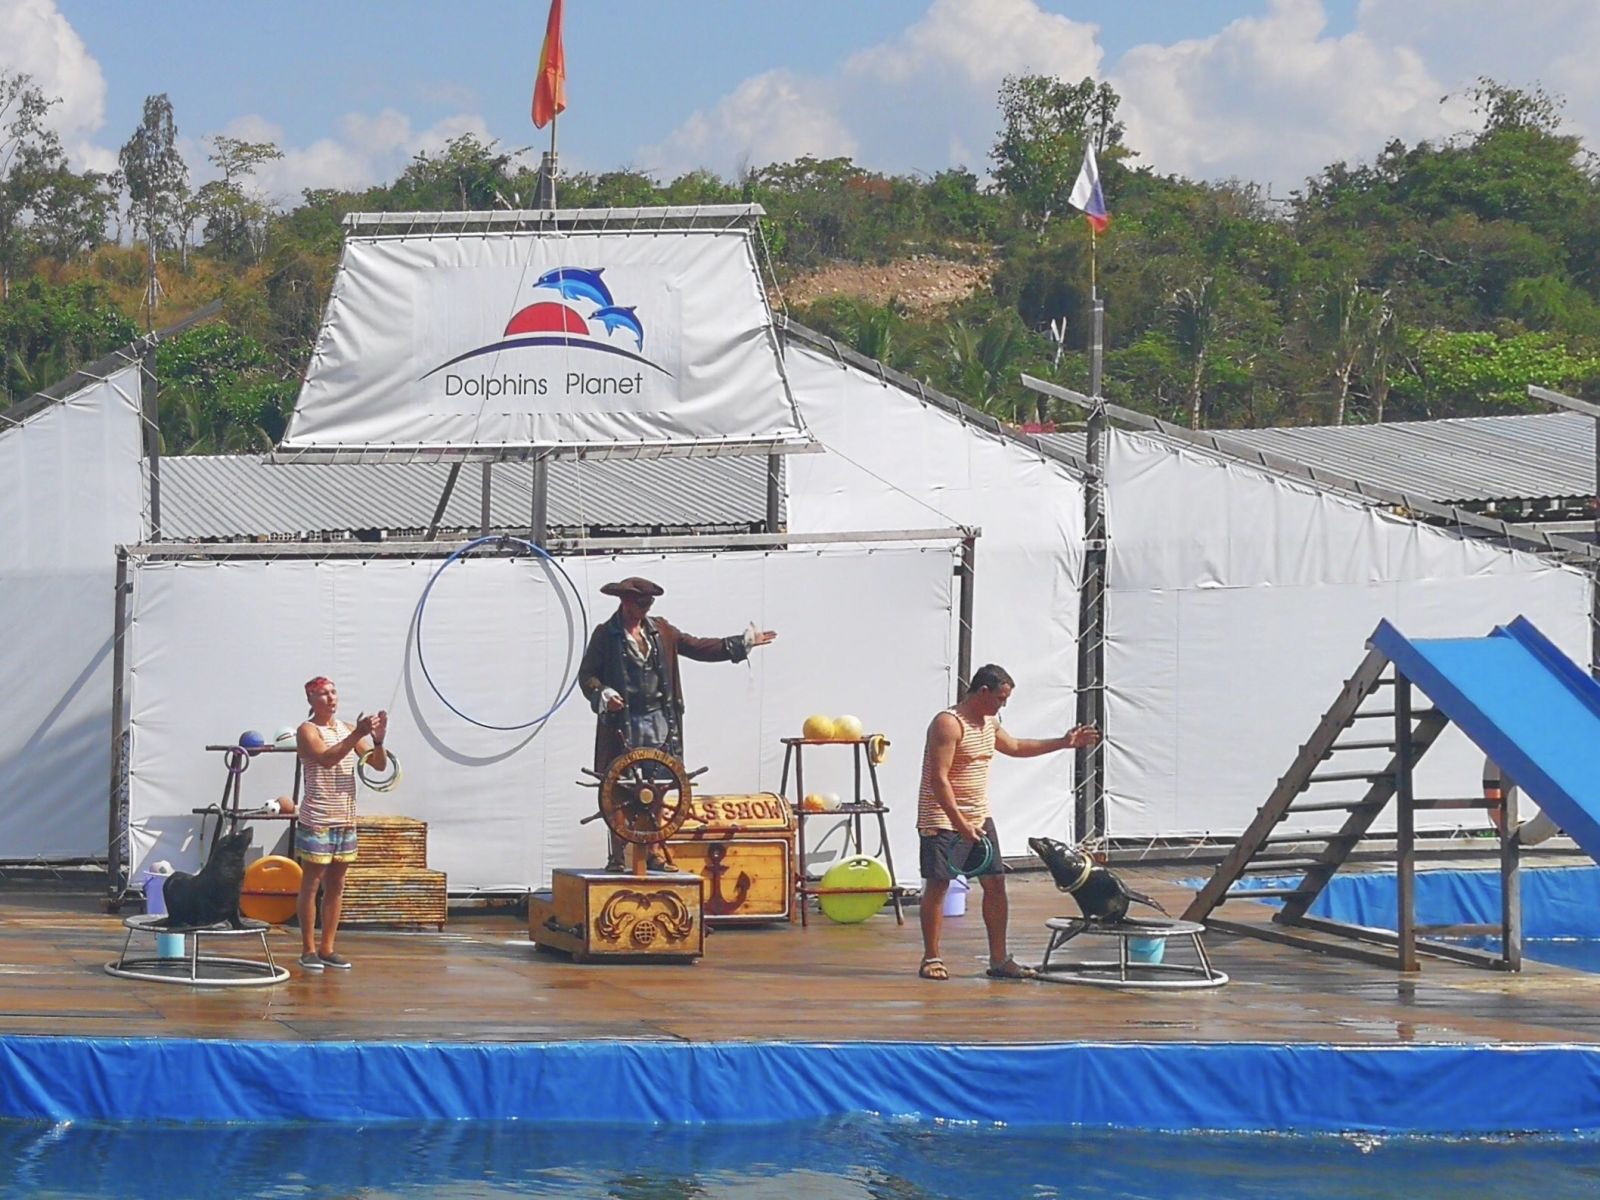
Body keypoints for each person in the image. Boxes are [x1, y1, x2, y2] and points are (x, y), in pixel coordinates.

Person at [915, 663, 1100, 981]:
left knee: (996, 884)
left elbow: (1014, 747)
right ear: (982, 691)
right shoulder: (948, 723)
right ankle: (931, 957)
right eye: (1000, 698)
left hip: (978, 816)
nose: (1003, 705)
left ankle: (999, 959)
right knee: (939, 885)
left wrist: (1064, 742)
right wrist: (959, 823)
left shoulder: (989, 723)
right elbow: (939, 780)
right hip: (943, 819)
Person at [579, 576, 775, 871]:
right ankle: (618, 857)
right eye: (639, 604)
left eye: (648, 604)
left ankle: (654, 853)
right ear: (625, 601)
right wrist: (604, 694)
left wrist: (739, 644)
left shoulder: (662, 631)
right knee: (619, 788)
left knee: (657, 787)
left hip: (660, 720)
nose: (643, 610)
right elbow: (587, 676)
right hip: (623, 722)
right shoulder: (605, 635)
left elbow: (698, 647)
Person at [294, 675, 387, 973]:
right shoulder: (307, 730)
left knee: (337, 884)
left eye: (333, 693)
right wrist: (355, 735)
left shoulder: (347, 728)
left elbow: (379, 764)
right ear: (310, 700)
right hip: (319, 816)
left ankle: (328, 947)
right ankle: (308, 948)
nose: (330, 698)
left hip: (346, 818)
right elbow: (326, 759)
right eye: (322, 694)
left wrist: (377, 740)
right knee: (312, 882)